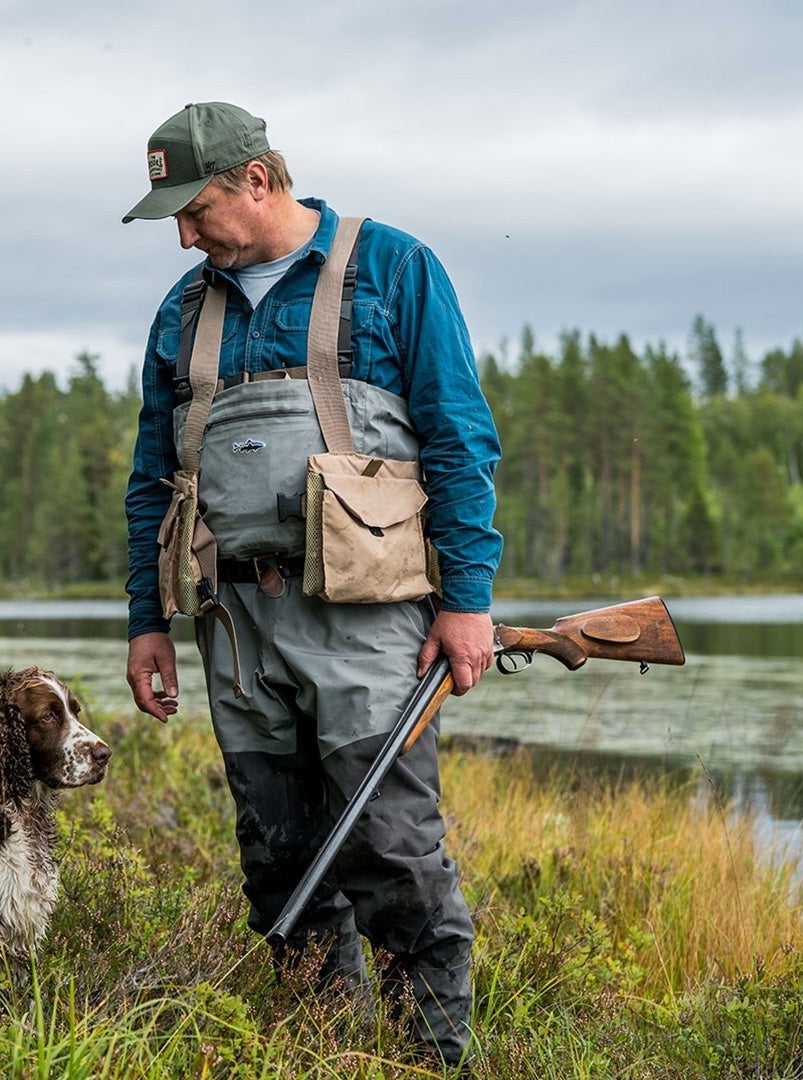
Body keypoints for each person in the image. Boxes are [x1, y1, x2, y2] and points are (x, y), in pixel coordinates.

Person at [120, 101, 501, 1067]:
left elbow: (461, 442)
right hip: (234, 624)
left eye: (194, 206)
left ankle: (432, 1058)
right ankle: (320, 1049)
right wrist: (146, 622)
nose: (183, 232)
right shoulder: (182, 309)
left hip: (370, 619)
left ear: (258, 179)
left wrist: (467, 602)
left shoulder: (393, 268)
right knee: (278, 856)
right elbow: (151, 479)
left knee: (391, 850)